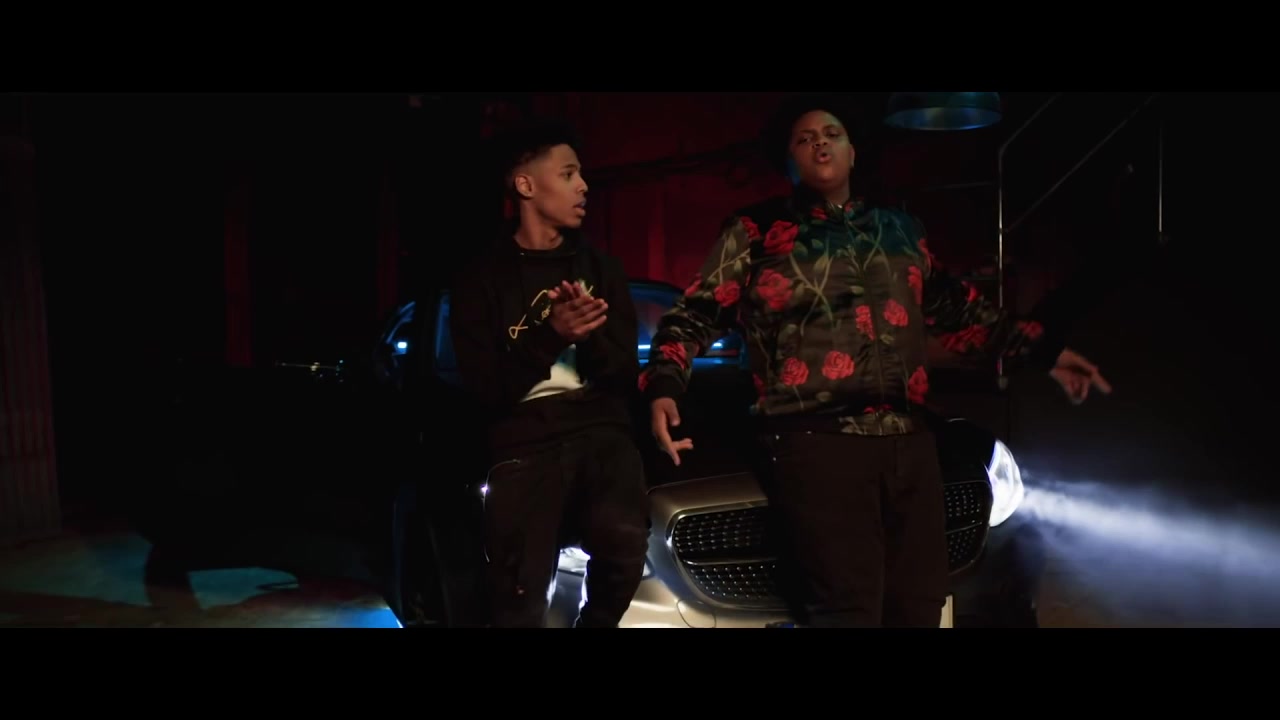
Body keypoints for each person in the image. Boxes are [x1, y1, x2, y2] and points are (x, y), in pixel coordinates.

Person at [639, 93, 1111, 628]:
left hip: (908, 439)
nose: (820, 144)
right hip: (814, 441)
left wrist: (1046, 353)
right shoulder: (756, 231)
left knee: (919, 600)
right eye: (805, 138)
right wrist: (665, 384)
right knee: (846, 607)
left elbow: (958, 309)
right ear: (787, 161)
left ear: (853, 151)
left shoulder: (898, 228)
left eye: (832, 134)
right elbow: (696, 312)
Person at [449, 118, 649, 628]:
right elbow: (485, 390)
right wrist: (551, 334)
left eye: (581, 174)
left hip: (599, 428)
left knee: (625, 545)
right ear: (526, 185)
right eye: (568, 174)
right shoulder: (480, 278)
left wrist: (587, 335)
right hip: (523, 440)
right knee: (517, 591)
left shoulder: (600, 268)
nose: (583, 186)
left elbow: (623, 373)